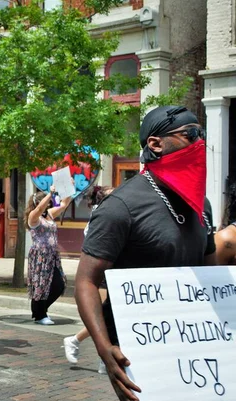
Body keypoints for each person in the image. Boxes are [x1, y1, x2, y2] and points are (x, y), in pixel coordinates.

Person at [75, 105, 216, 401]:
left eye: (201, 135)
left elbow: (208, 270)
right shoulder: (119, 208)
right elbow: (86, 281)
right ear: (155, 143)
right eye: (191, 135)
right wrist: (104, 347)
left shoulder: (201, 204)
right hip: (142, 345)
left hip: (196, 340)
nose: (199, 143)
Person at [63, 185, 113, 371]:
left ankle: (77, 342)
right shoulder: (99, 218)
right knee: (103, 316)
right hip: (100, 273)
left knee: (108, 316)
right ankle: (79, 343)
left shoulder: (106, 215)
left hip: (111, 271)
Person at [25, 184, 71, 325]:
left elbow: (64, 204)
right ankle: (40, 315)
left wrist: (68, 188)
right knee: (41, 285)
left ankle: (40, 310)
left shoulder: (49, 214)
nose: (49, 204)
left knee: (59, 284)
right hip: (40, 256)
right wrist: (50, 194)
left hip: (52, 255)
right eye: (47, 202)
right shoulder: (33, 217)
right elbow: (39, 209)